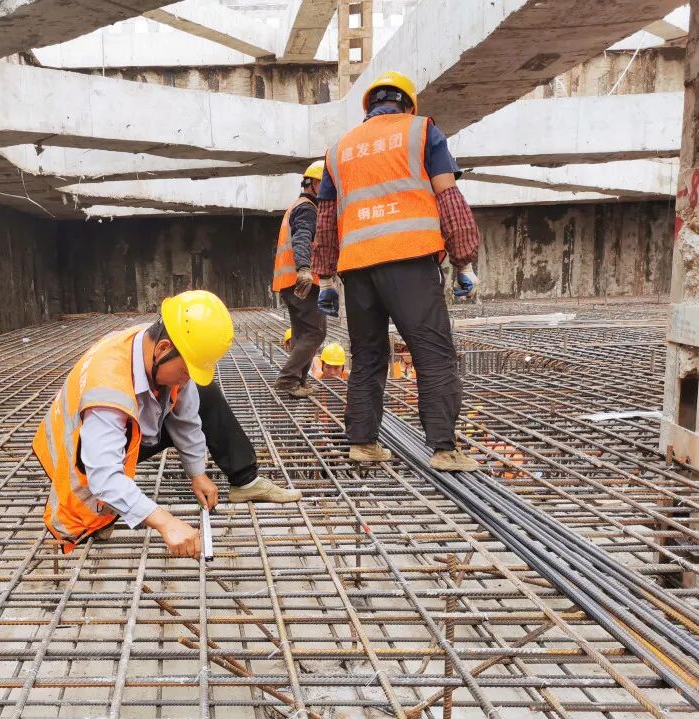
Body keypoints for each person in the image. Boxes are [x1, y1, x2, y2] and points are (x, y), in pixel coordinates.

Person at [33, 290, 302, 558]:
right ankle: (100, 513)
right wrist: (165, 522)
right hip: (77, 453)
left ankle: (245, 480)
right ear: (163, 349)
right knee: (102, 498)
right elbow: (103, 474)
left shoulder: (157, 344)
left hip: (125, 428)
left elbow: (186, 416)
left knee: (204, 392)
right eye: (185, 371)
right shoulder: (108, 386)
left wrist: (197, 474)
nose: (186, 379)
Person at [310, 71, 481, 472]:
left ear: (369, 106)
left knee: (368, 356)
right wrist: (464, 261)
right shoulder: (421, 132)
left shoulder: (338, 150)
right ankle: (443, 449)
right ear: (407, 104)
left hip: (357, 270)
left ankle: (363, 442)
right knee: (433, 354)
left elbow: (326, 221)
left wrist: (326, 279)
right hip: (410, 261)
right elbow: (449, 199)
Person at [272, 162, 328, 399]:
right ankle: (288, 379)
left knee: (302, 333)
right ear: (313, 183)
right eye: (325, 184)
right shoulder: (307, 208)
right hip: (302, 282)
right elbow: (302, 237)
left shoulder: (297, 206)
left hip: (289, 282)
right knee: (316, 332)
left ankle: (298, 381)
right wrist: (304, 269)